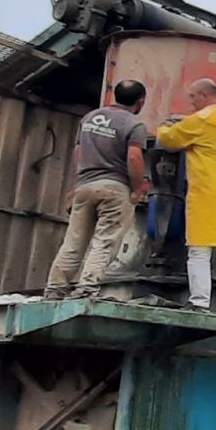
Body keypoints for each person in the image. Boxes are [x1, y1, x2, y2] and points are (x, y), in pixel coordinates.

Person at [44, 79, 151, 297]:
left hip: (85, 185)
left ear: (114, 96)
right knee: (105, 240)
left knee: (73, 241)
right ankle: (86, 288)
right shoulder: (134, 125)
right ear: (140, 102)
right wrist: (138, 188)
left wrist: (80, 180)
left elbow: (78, 151)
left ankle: (55, 288)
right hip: (115, 187)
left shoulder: (90, 117)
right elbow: (133, 156)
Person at [156, 76, 216, 311]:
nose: (191, 102)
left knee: (199, 250)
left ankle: (199, 301)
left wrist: (165, 126)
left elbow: (169, 139)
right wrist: (187, 121)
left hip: (206, 192)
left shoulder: (201, 119)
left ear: (203, 95)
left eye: (192, 97)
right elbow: (209, 133)